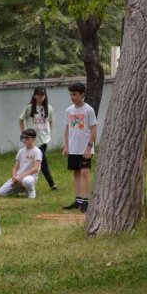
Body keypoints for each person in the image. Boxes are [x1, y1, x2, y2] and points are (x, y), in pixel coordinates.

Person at [62, 84, 97, 213]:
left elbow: (94, 129)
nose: (72, 97)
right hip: (73, 148)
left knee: (84, 173)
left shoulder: (89, 110)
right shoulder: (69, 110)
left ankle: (86, 201)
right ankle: (78, 200)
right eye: (71, 94)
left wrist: (89, 147)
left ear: (82, 94)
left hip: (85, 148)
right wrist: (66, 146)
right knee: (76, 173)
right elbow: (67, 129)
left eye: (75, 94)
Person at [19, 86, 56, 190]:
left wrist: (49, 133)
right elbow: (21, 119)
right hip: (32, 140)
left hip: (44, 140)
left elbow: (51, 121)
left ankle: (26, 182)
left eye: (42, 95)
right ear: (35, 95)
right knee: (42, 162)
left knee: (38, 162)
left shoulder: (49, 108)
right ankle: (51, 184)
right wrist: (24, 133)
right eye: (38, 95)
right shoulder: (29, 108)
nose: (40, 97)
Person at [0, 129, 43, 198]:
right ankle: (22, 189)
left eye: (27, 138)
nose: (24, 140)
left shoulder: (37, 151)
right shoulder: (21, 151)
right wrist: (14, 177)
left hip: (30, 177)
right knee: (0, 193)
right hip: (18, 178)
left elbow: (35, 169)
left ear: (34, 139)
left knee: (27, 181)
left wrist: (20, 177)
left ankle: (31, 190)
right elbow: (15, 167)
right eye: (23, 137)